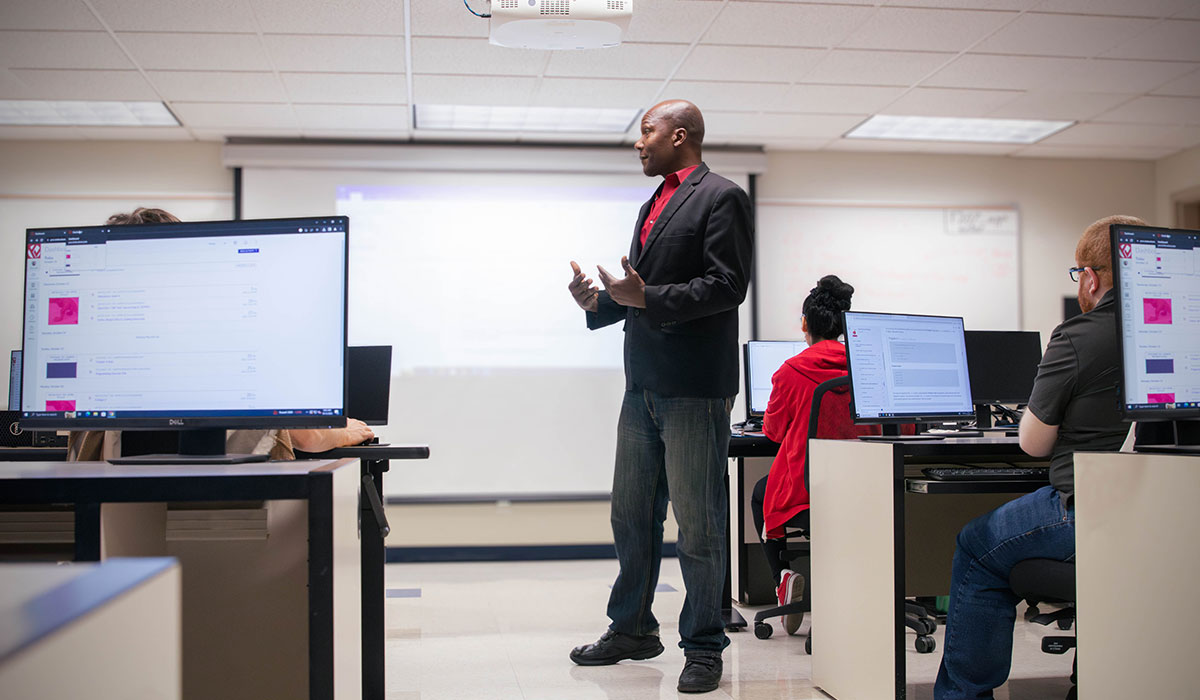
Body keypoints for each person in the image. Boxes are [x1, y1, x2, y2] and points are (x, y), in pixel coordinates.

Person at [565, 100, 752, 694]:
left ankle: (702, 647)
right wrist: (599, 304)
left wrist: (648, 298)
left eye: (646, 132)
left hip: (694, 390)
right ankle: (633, 630)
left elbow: (727, 286)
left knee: (697, 527)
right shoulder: (654, 203)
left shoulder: (721, 196)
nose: (638, 143)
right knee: (631, 515)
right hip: (641, 385)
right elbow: (642, 291)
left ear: (680, 135)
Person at [933, 214, 1145, 699]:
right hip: (1162, 515)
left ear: (1090, 277)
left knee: (975, 547)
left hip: (1089, 511)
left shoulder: (1077, 335)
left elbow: (1032, 444)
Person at [66, 207, 373, 461]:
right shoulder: (219, 358)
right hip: (229, 517)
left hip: (116, 520)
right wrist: (341, 431)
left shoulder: (92, 382)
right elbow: (305, 437)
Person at [748, 274, 875, 635]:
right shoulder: (866, 365)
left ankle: (783, 575)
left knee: (761, 492)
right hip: (869, 486)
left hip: (809, 492)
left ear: (805, 324)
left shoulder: (791, 370)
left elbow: (772, 432)